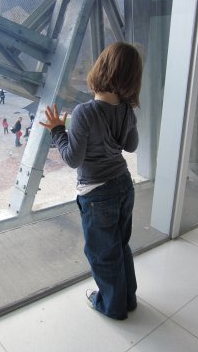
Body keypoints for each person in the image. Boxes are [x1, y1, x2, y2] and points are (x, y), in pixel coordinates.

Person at [39, 42, 143, 320]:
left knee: (102, 254)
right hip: (123, 185)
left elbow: (73, 159)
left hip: (98, 194)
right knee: (120, 246)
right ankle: (128, 299)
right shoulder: (127, 111)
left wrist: (58, 131)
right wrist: (126, 121)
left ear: (101, 69)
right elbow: (131, 146)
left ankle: (112, 306)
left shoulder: (85, 112)